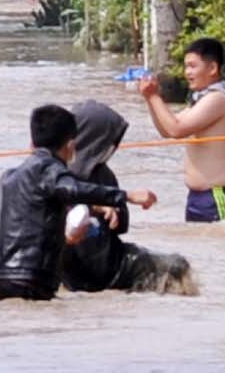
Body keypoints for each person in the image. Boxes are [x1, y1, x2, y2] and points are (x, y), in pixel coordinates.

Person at [0, 105, 158, 301]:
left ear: (32, 143)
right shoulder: (50, 170)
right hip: (34, 277)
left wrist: (3, 247)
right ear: (71, 147)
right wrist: (127, 196)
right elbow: (72, 189)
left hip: (3, 278)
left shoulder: (11, 176)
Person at [61, 101, 195, 295]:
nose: (114, 148)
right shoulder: (58, 175)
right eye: (110, 142)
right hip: (82, 267)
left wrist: (116, 212)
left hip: (110, 258)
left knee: (178, 266)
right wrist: (96, 208)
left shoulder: (104, 174)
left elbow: (121, 226)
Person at [138, 37, 225, 223]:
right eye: (186, 67)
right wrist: (149, 98)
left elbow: (177, 129)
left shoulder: (217, 99)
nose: (187, 73)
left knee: (216, 251)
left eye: (193, 66)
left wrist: (155, 97)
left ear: (212, 69)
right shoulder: (202, 99)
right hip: (197, 197)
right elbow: (167, 130)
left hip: (216, 195)